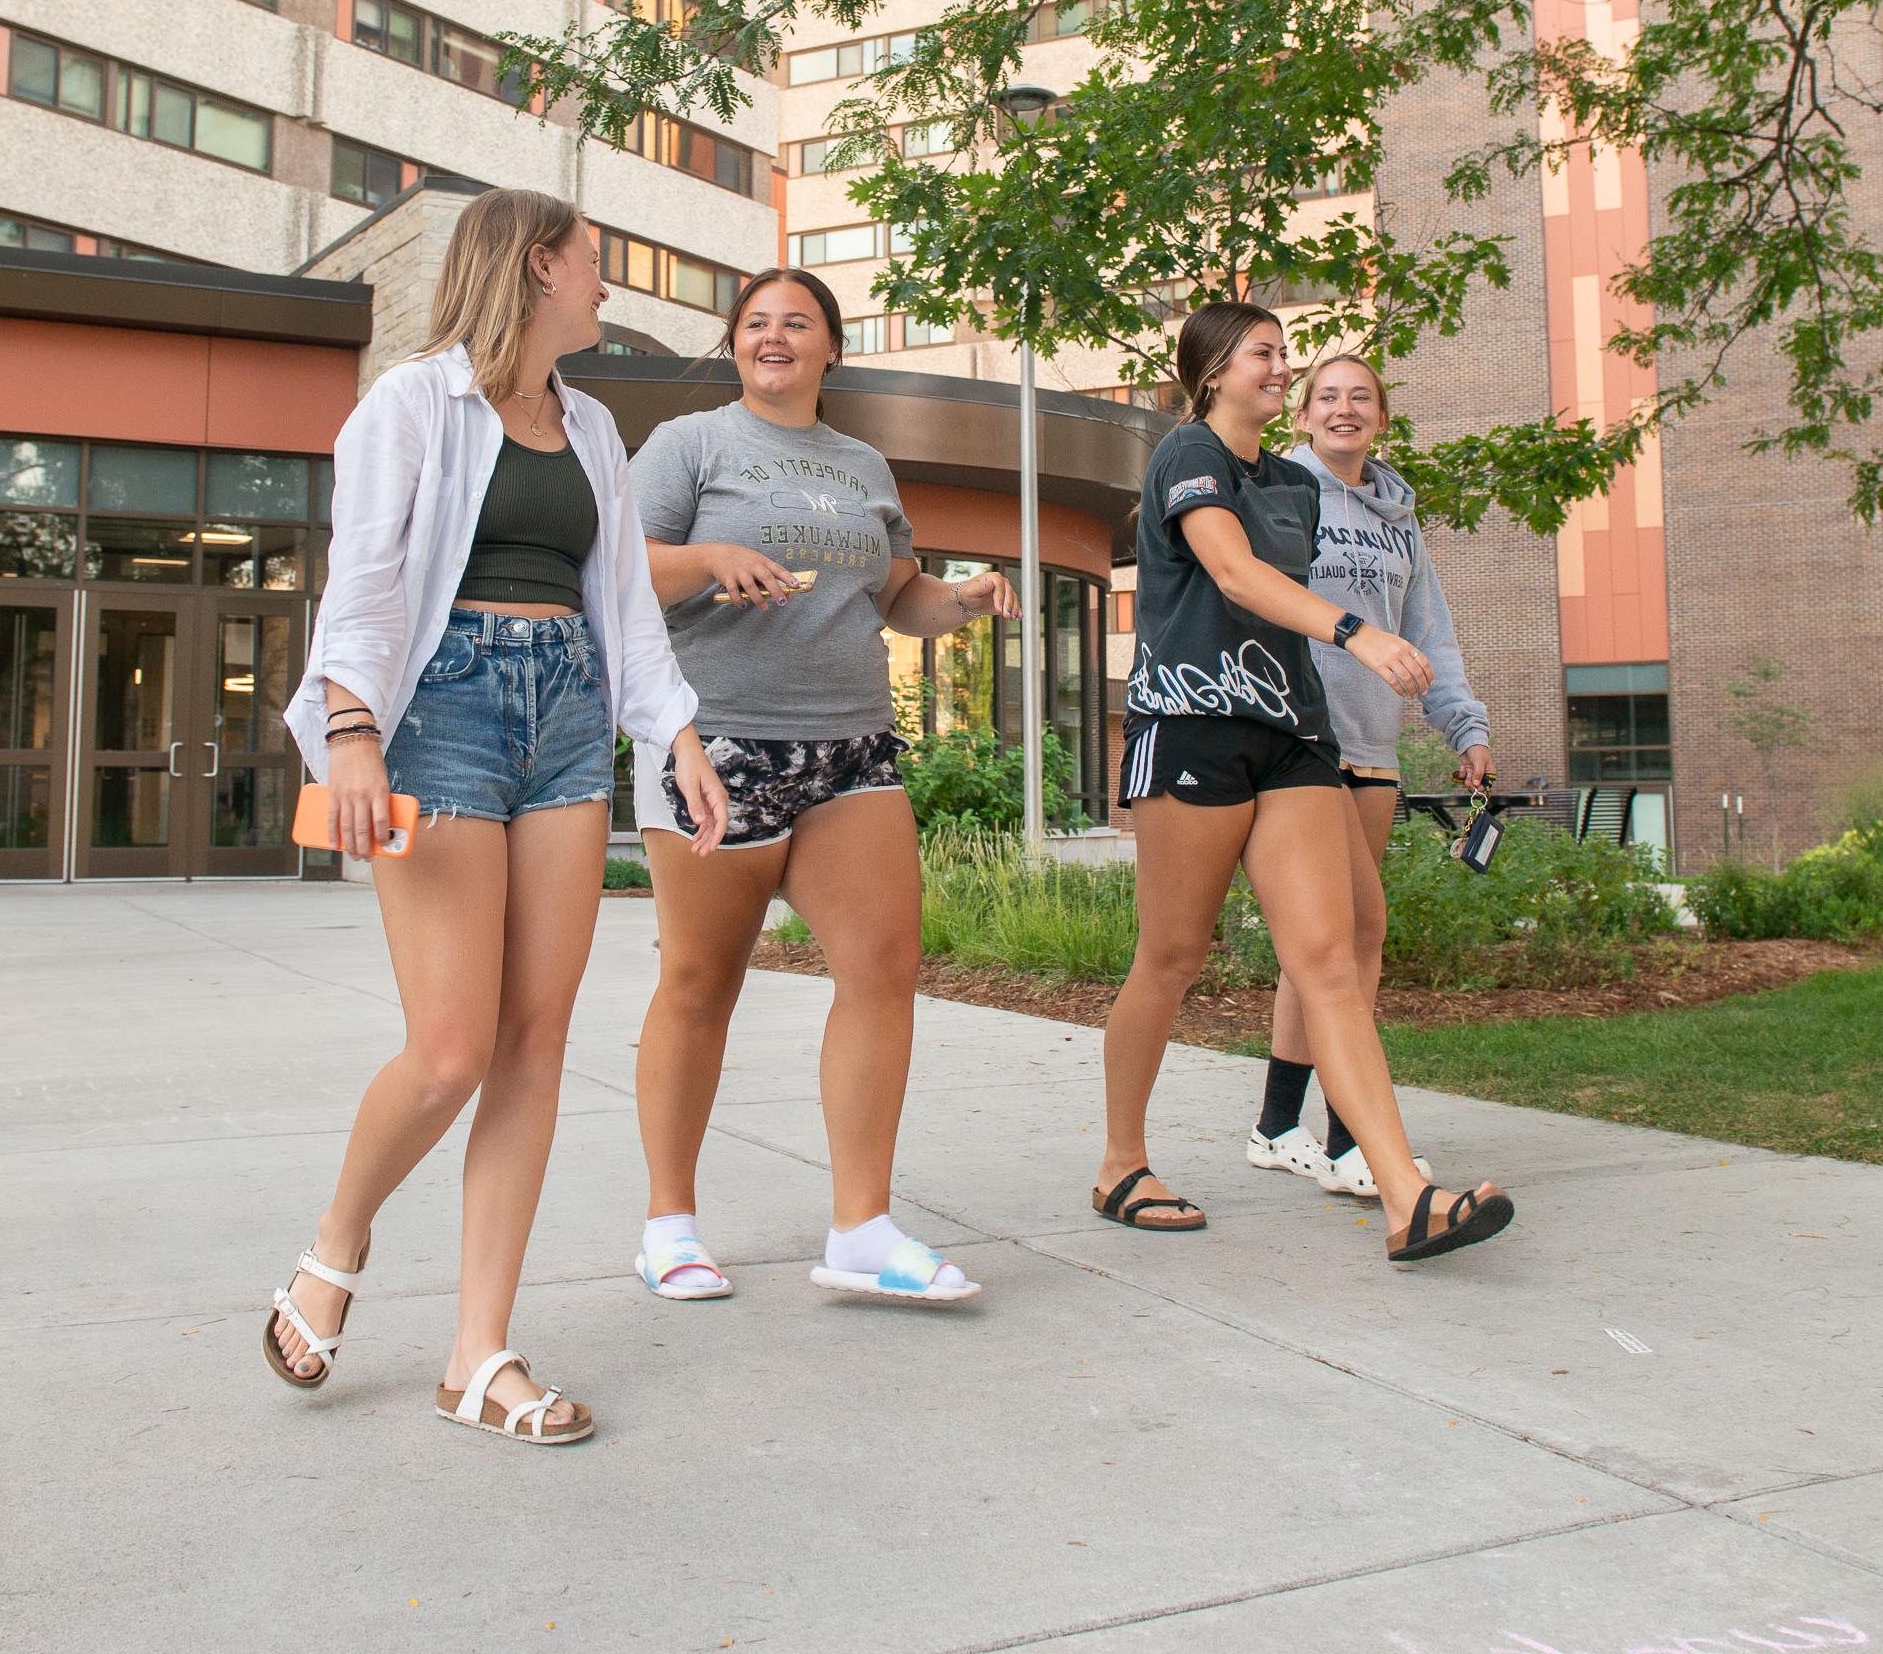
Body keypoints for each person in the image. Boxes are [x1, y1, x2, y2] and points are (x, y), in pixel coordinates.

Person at [266, 188, 731, 1448]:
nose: (605, 284)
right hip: (443, 718)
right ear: (535, 267)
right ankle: (336, 1244)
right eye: (593, 262)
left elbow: (622, 598)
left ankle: (479, 1352)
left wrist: (676, 730)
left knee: (534, 1042)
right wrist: (352, 731)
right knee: (450, 1049)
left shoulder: (588, 425)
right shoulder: (411, 404)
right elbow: (362, 578)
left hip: (569, 712)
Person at [1094, 301, 1515, 1264]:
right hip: (1193, 722)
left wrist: (1442, 695)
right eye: (1266, 356)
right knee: (1170, 957)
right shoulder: (1185, 455)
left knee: (1329, 960)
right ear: (1210, 370)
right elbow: (1235, 573)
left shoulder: (1291, 479)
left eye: (1285, 354)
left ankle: (1407, 1193)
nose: (1282, 370)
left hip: (1291, 735)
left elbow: (1372, 572)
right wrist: (1358, 635)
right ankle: (1121, 1162)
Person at [625, 267, 1014, 1305]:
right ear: (734, 343)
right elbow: (618, 566)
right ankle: (668, 1223)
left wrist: (963, 599)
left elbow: (897, 597)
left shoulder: (861, 464)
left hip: (850, 747)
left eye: (796, 320)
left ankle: (861, 1224)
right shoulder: (691, 445)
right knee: (702, 983)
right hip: (719, 743)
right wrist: (709, 553)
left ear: (830, 346)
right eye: (755, 322)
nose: (773, 335)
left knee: (883, 967)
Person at [1250, 355, 1492, 1200]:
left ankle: (1280, 1126)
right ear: (1304, 415)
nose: (1344, 409)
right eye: (1327, 397)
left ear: (1381, 418)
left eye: (1361, 398)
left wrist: (1465, 725)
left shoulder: (1399, 520)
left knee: (1333, 945)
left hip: (1373, 745)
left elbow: (1431, 631)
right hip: (1300, 741)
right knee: (1347, 939)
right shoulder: (1280, 490)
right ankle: (1352, 1142)